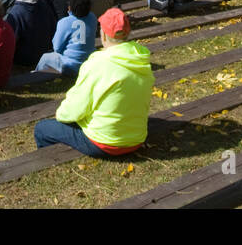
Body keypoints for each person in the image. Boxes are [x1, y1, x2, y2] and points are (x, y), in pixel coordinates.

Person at [33, 8, 154, 157]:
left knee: (42, 128)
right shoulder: (141, 59)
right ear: (128, 33)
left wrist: (61, 115)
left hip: (104, 142)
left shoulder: (97, 63)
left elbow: (75, 109)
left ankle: (48, 159)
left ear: (103, 34)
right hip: (136, 138)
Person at [34, 0, 97, 74]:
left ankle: (37, 75)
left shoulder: (64, 22)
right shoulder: (93, 17)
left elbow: (57, 47)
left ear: (70, 7)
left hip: (70, 64)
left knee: (45, 57)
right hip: (88, 60)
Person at [5, 0, 56, 68]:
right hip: (44, 54)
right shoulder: (44, 4)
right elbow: (53, 27)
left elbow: (11, 41)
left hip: (24, 60)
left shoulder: (15, 13)